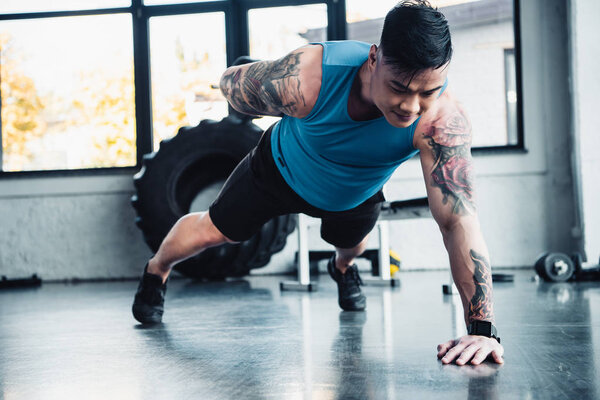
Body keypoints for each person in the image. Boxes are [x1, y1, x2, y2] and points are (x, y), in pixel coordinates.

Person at [132, 0, 504, 366]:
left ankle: (341, 269)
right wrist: (253, 79)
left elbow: (459, 221)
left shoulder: (441, 120)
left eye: (427, 91)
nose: (411, 106)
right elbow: (231, 86)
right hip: (278, 169)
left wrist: (482, 329)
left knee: (352, 246)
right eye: (399, 88)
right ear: (372, 59)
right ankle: (157, 269)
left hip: (354, 192)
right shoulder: (311, 77)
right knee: (213, 231)